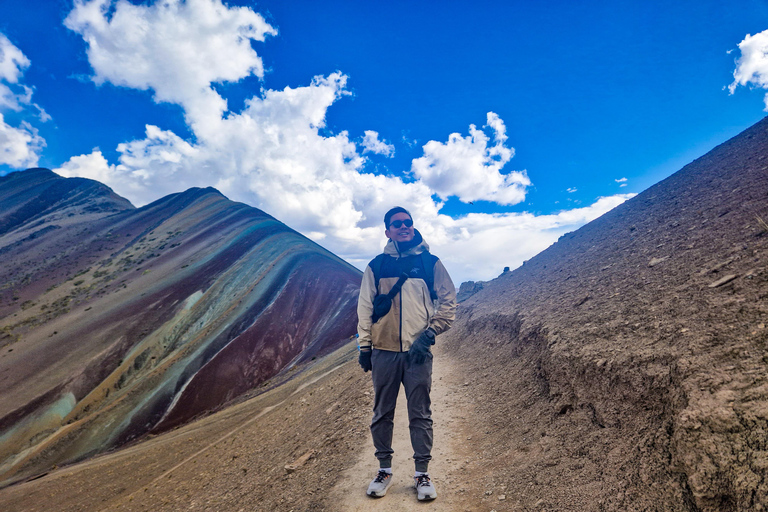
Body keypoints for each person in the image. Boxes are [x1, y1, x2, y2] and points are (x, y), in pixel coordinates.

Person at [356, 206, 457, 501]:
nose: (405, 227)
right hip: (384, 351)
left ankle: (421, 473)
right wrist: (364, 346)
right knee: (382, 413)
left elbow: (449, 301)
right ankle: (384, 470)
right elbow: (364, 307)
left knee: (420, 413)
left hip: (418, 353)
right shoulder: (376, 266)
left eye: (408, 223)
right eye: (397, 223)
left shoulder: (430, 263)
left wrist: (430, 333)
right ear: (387, 231)